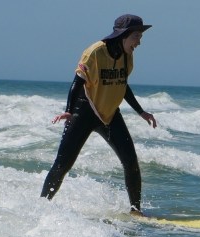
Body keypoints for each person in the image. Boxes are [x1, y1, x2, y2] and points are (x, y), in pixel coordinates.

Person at [41, 14, 157, 215]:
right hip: (84, 112)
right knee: (62, 165)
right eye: (136, 37)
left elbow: (122, 85)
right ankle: (41, 206)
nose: (139, 42)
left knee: (131, 163)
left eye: (140, 37)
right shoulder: (94, 53)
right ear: (123, 35)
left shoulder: (127, 55)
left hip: (110, 114)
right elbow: (77, 83)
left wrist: (141, 112)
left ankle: (136, 211)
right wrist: (68, 110)